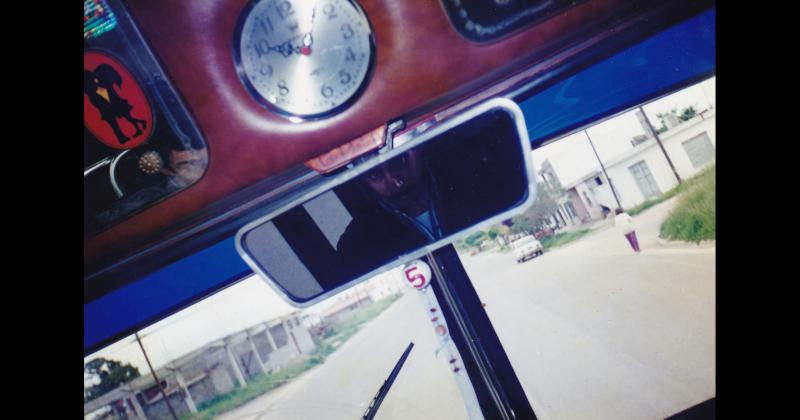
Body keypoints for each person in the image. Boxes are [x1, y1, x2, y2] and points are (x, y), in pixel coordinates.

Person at [84, 64, 148, 144]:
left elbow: (115, 94)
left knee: (129, 118)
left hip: (118, 105)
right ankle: (122, 138)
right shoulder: (92, 95)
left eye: (95, 79)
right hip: (108, 111)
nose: (95, 81)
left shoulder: (106, 86)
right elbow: (97, 105)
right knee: (114, 125)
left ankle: (140, 125)